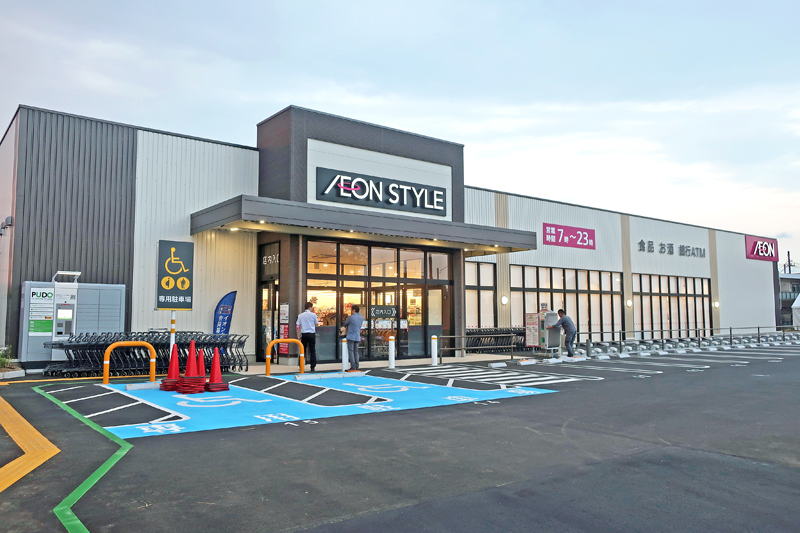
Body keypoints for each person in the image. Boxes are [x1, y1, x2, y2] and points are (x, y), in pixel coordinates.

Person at [296, 302, 318, 372]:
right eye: (312, 307)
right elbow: (316, 324)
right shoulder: (313, 315)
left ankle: (301, 365)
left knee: (303, 350)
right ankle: (312, 367)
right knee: (312, 351)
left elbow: (298, 326)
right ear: (310, 307)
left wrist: (298, 335)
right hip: (311, 334)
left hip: (304, 334)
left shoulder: (300, 315)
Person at [343, 305, 364, 372]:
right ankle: (357, 366)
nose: (351, 311)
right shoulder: (361, 317)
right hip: (357, 336)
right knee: (356, 351)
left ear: (354, 310)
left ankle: (353, 366)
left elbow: (345, 323)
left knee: (351, 351)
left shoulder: (351, 317)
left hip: (351, 336)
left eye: (351, 310)